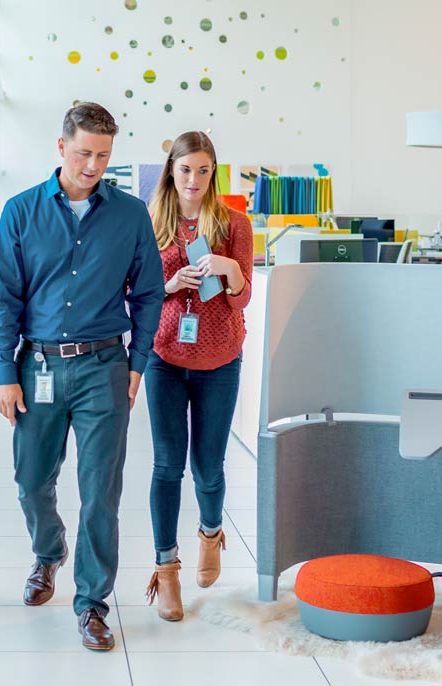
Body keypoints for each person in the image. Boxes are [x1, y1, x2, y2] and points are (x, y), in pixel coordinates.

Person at [0, 102, 165, 651]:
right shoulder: (20, 212)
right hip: (35, 366)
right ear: (60, 146)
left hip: (104, 367)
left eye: (104, 156)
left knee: (100, 492)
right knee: (30, 482)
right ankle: (48, 553)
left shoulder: (131, 214)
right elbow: (3, 298)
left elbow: (150, 293)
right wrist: (5, 370)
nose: (93, 166)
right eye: (84, 153)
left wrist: (137, 367)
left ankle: (91, 602)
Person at [140, 131, 253, 622]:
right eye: (185, 169)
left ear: (214, 173)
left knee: (209, 468)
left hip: (220, 360)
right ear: (171, 170)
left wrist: (230, 269)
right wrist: (169, 283)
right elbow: (134, 292)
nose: (194, 179)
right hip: (165, 358)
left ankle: (210, 532)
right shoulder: (148, 223)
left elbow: (242, 298)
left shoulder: (235, 224)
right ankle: (166, 569)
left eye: (204, 170)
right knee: (168, 466)